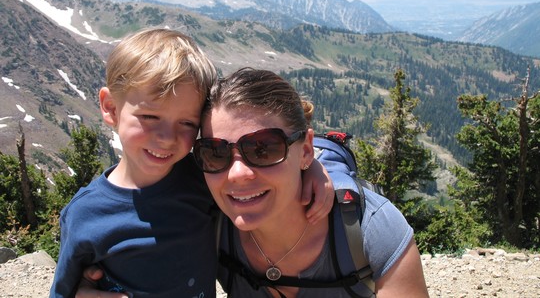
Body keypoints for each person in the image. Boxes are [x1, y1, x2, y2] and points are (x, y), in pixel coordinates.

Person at [50, 29, 333, 298]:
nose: (167, 138)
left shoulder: (203, 175)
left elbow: (280, 162)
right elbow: (65, 289)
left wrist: (313, 168)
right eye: (149, 117)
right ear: (110, 107)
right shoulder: (85, 214)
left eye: (187, 123)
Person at [192, 68, 429, 297]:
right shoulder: (204, 221)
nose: (237, 173)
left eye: (263, 149)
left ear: (306, 150)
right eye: (215, 152)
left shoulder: (370, 226)